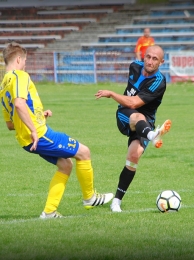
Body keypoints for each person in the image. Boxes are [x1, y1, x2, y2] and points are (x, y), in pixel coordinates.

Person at [0, 42, 113, 219]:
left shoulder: (3, 86)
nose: (25, 64)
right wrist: (35, 129)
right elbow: (20, 103)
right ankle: (90, 197)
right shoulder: (19, 75)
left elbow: (11, 124)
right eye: (25, 61)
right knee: (84, 152)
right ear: (19, 59)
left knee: (65, 165)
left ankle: (49, 212)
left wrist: (39, 115)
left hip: (26, 139)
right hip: (39, 135)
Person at [95, 45, 171, 212]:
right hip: (124, 115)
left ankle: (116, 202)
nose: (150, 61)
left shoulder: (159, 81)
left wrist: (111, 94)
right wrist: (116, 96)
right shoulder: (134, 66)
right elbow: (130, 106)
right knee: (137, 117)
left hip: (145, 121)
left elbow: (135, 102)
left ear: (161, 62)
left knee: (134, 155)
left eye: (154, 59)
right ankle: (153, 135)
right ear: (144, 56)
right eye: (148, 57)